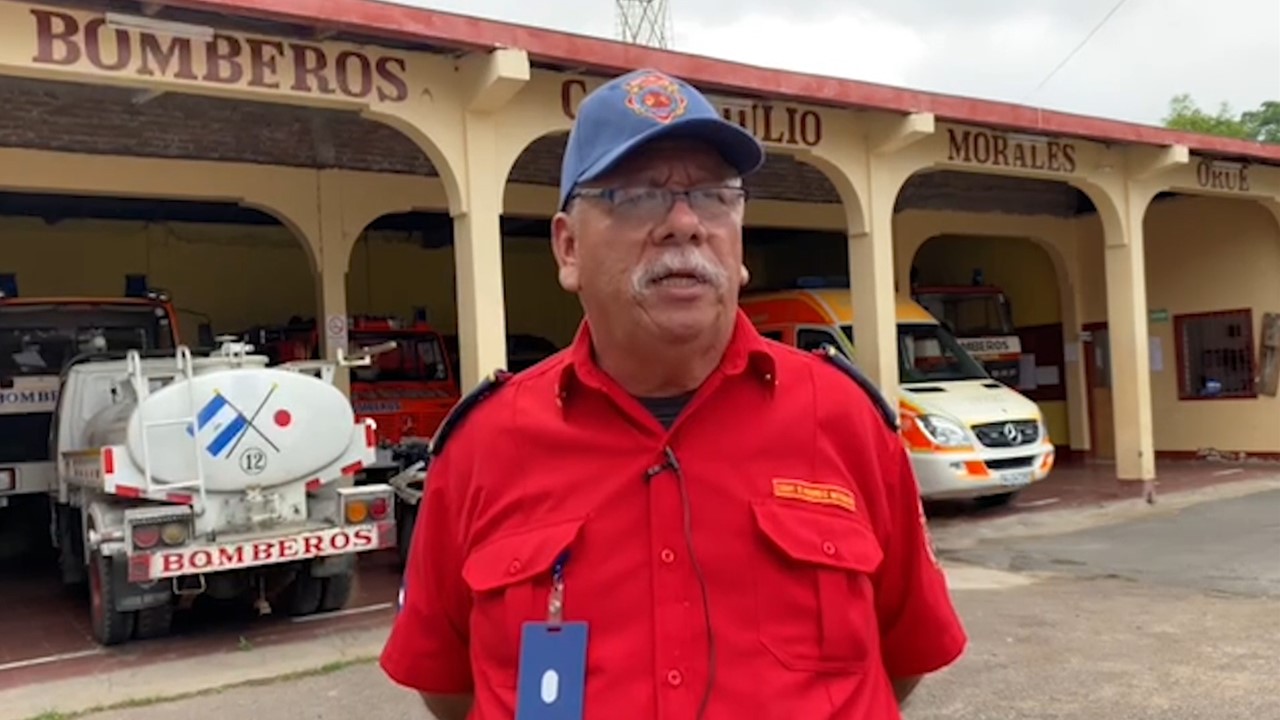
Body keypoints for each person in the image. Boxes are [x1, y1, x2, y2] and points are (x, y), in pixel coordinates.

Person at [380, 67, 967, 720]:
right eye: (637, 195)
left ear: (739, 241)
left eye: (714, 196)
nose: (685, 223)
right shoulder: (483, 447)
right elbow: (448, 685)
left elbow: (903, 656)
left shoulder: (845, 420)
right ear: (568, 248)